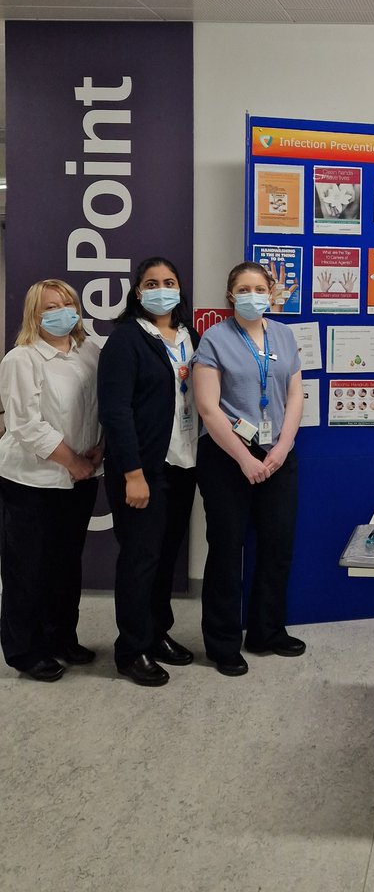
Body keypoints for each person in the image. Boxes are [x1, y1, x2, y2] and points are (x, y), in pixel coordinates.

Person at [193, 261, 304, 676]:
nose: (253, 295)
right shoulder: (214, 338)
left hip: (278, 455)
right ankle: (223, 643)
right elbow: (207, 406)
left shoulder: (284, 335)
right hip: (226, 458)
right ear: (230, 296)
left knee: (277, 546)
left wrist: (281, 450)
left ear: (270, 293)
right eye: (244, 288)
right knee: (226, 550)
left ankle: (266, 631)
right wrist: (245, 458)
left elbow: (295, 395)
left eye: (260, 288)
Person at [97, 258, 199, 687]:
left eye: (170, 282)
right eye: (152, 283)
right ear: (138, 292)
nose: (162, 289)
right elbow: (116, 412)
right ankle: (131, 648)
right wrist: (133, 473)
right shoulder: (125, 341)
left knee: (164, 557)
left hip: (183, 464)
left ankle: (158, 634)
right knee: (140, 559)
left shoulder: (189, 336)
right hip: (142, 469)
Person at [0, 280, 102, 681]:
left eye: (67, 304)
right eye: (50, 307)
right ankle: (25, 651)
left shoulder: (89, 352)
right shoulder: (21, 359)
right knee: (28, 568)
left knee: (65, 565)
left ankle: (62, 637)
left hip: (81, 475)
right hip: (32, 479)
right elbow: (25, 424)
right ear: (34, 314)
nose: (61, 311)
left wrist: (99, 449)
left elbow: (98, 407)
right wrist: (71, 461)